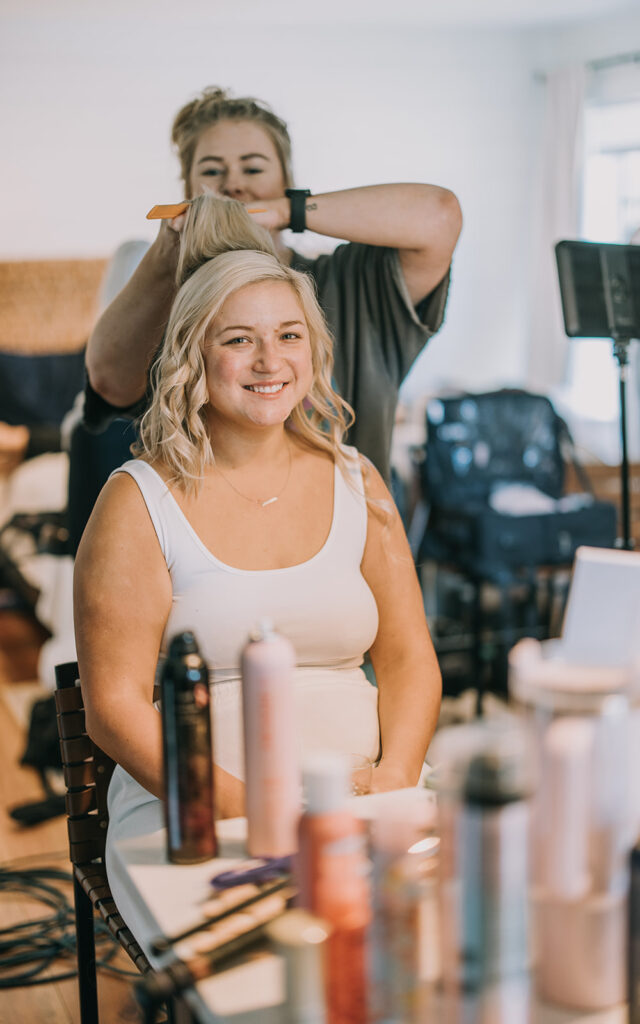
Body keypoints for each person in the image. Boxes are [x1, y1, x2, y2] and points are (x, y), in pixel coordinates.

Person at [73, 196, 442, 946]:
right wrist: (255, 812)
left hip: (365, 796)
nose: (270, 362)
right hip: (199, 821)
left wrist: (396, 777)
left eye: (288, 336)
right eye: (239, 340)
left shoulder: (357, 480)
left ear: (313, 348)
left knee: (443, 951)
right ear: (192, 356)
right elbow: (114, 710)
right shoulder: (136, 502)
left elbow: (408, 660)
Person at [83, 87, 462, 493]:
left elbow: (439, 214)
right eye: (212, 171)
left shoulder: (353, 284)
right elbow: (109, 382)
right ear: (188, 188)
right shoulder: (173, 303)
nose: (234, 186)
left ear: (287, 180)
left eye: (253, 169)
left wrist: (284, 211)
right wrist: (167, 251)